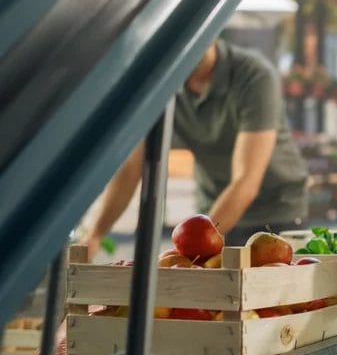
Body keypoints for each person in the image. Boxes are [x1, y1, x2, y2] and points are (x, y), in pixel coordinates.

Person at [80, 39, 308, 257]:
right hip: (213, 210)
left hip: (275, 212)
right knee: (209, 293)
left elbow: (246, 182)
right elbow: (132, 167)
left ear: (211, 36)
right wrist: (96, 233)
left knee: (266, 294)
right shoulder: (165, 84)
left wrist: (188, 252)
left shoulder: (253, 75)